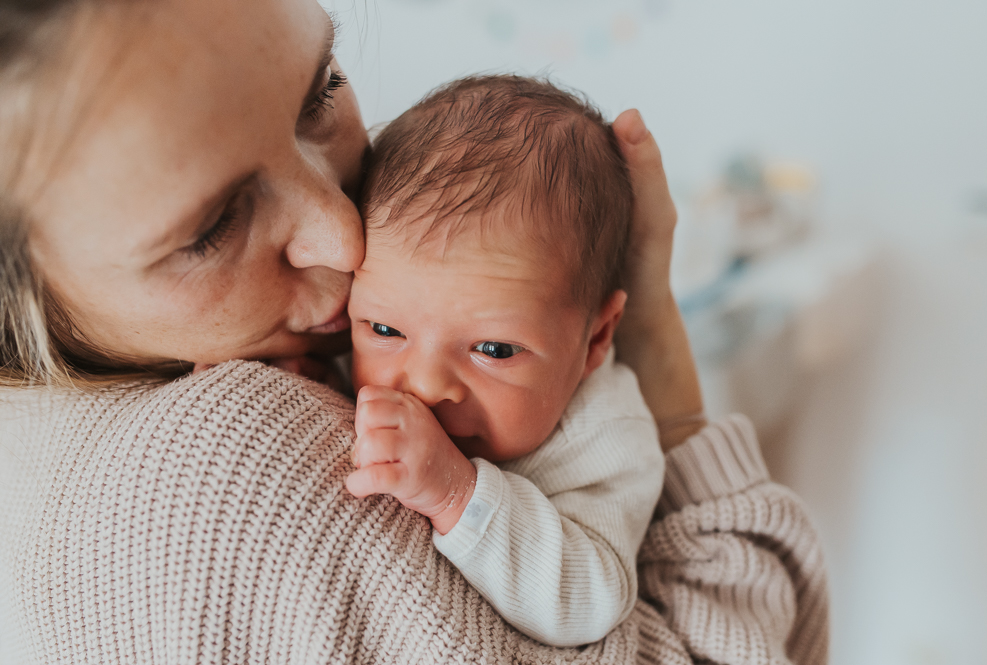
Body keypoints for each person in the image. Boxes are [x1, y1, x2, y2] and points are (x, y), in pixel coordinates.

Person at [0, 1, 830, 663]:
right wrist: (664, 365)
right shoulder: (241, 460)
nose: (347, 239)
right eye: (214, 226)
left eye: (322, 88)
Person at [347, 74, 664, 647]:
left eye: (493, 350)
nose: (424, 383)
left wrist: (455, 493)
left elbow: (588, 602)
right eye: (386, 329)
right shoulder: (353, 353)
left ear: (596, 340)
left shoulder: (605, 439)